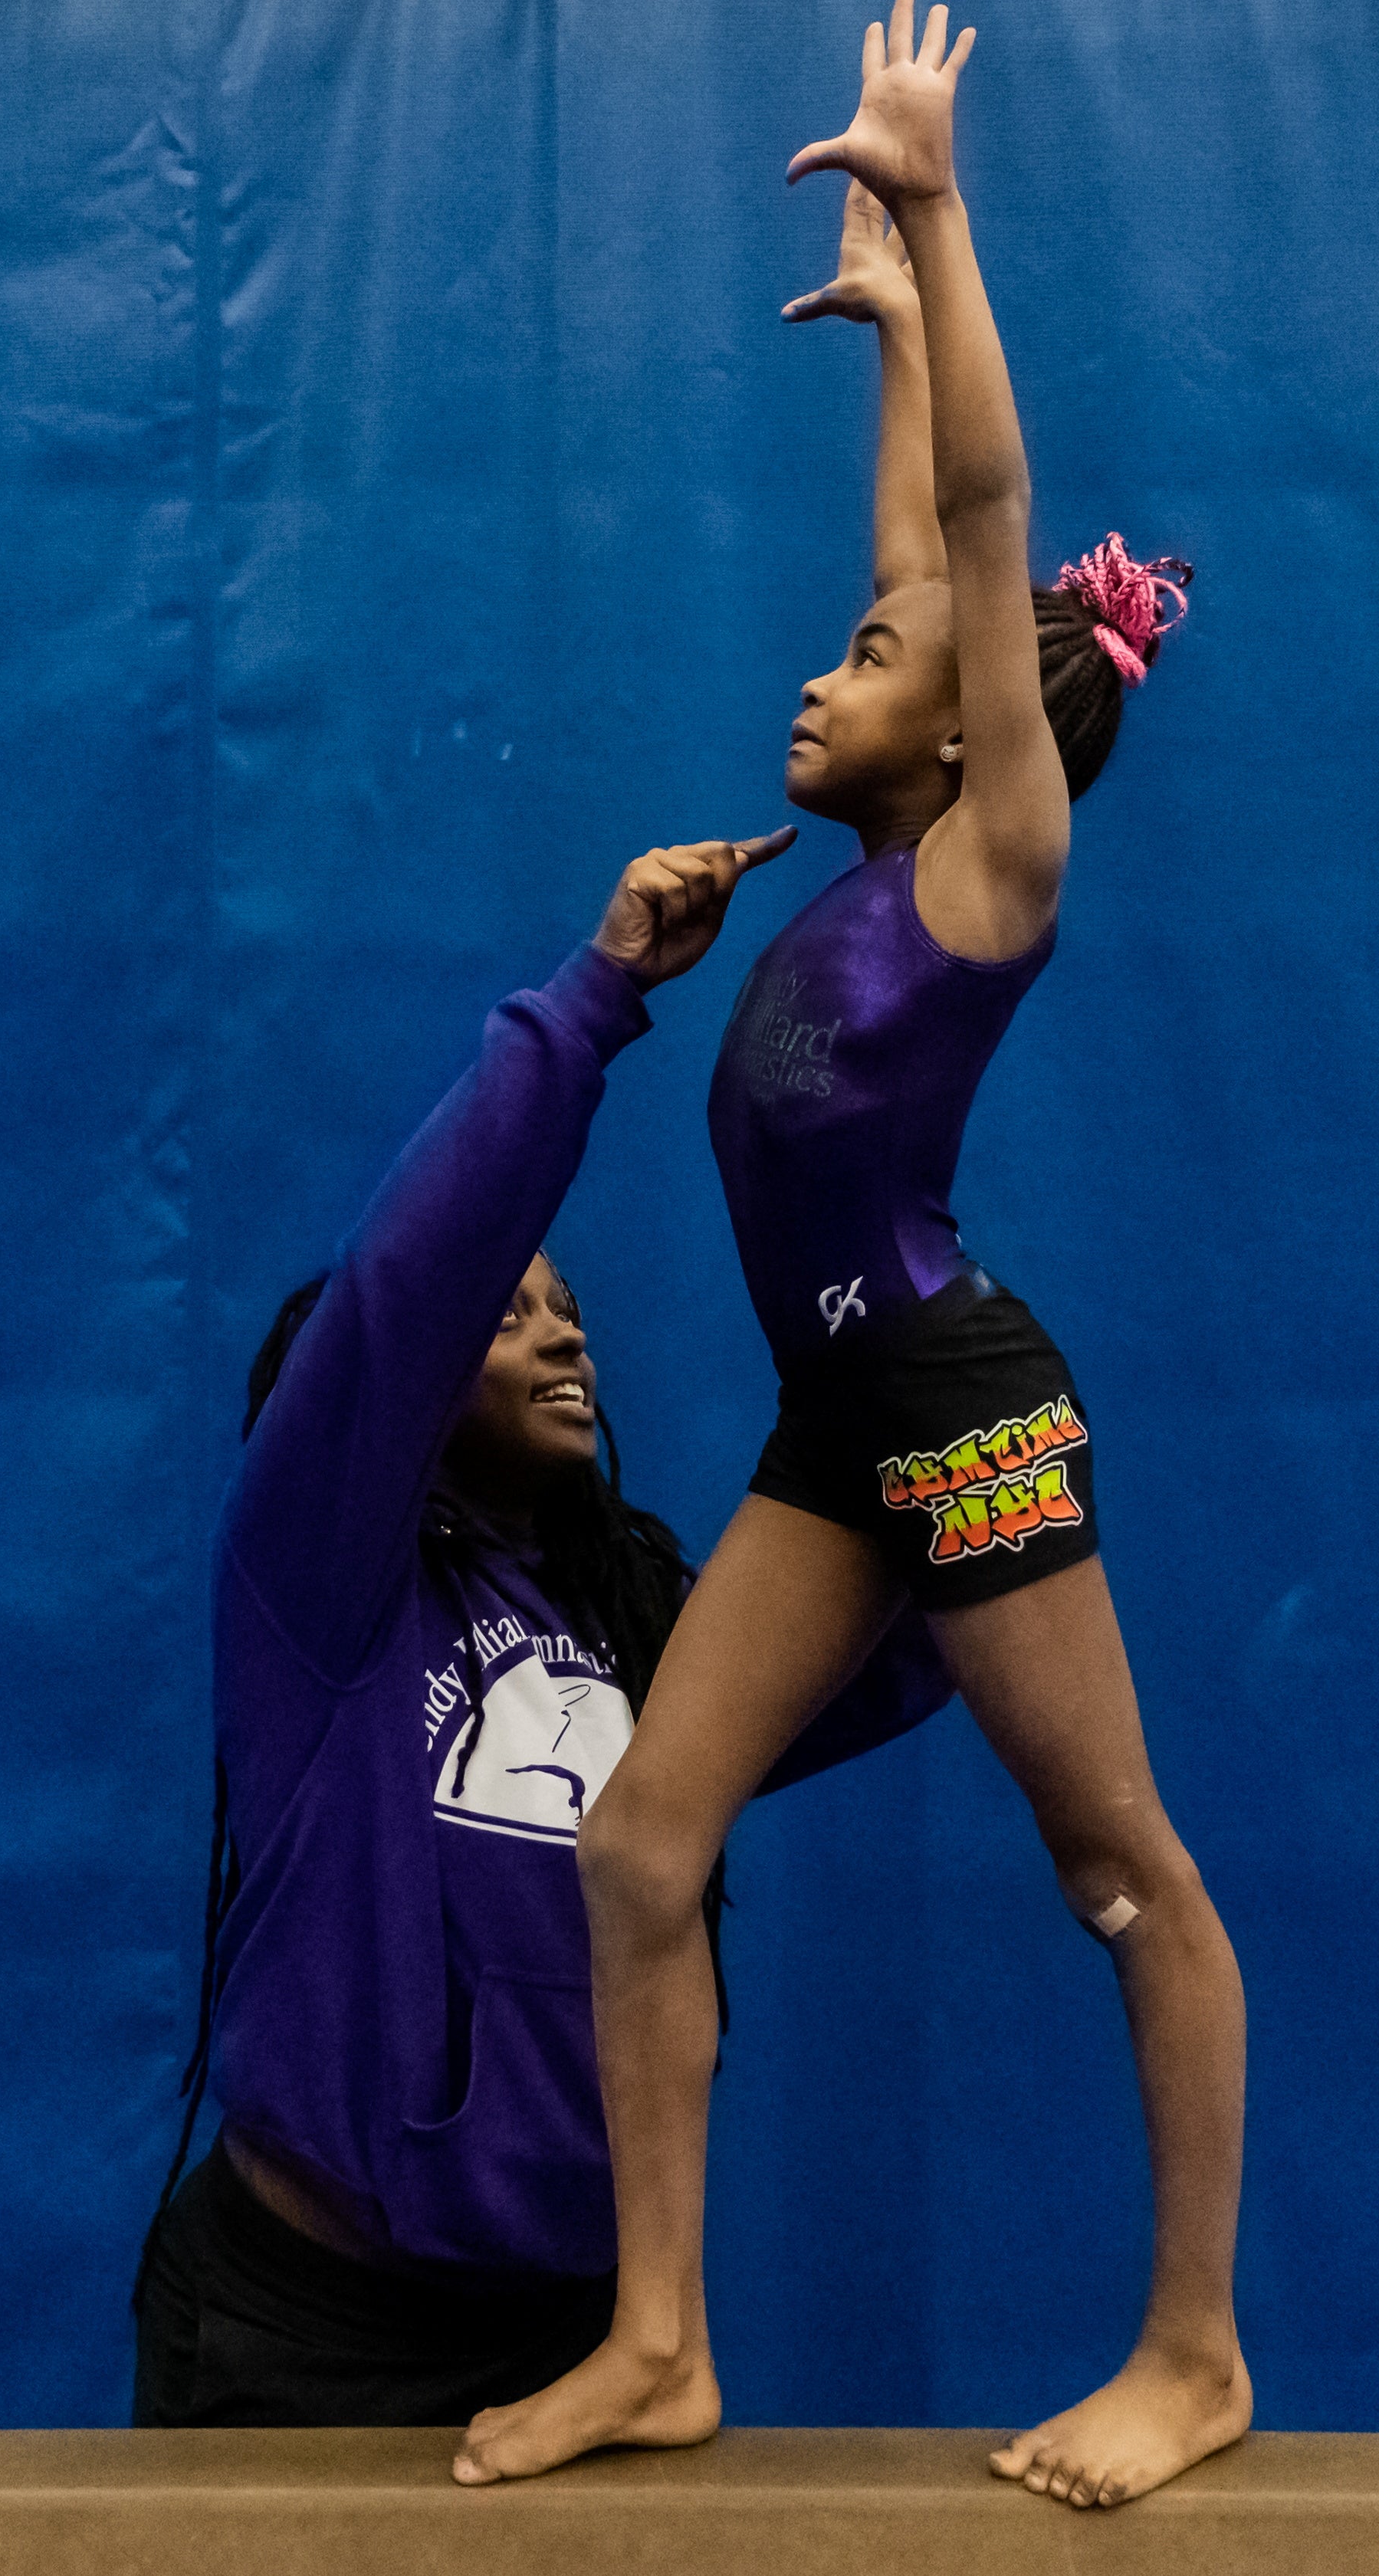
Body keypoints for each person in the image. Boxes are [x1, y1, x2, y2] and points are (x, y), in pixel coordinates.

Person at [451, 0, 1249, 2510]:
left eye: (863, 660)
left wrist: (938, 205)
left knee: (1116, 1866)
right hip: (837, 1414)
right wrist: (890, 330)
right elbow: (931, 550)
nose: (825, 656)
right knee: (640, 1838)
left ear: (968, 730)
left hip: (952, 1403)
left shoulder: (991, 862)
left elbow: (986, 549)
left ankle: (1196, 2348)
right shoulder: (896, 805)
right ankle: (660, 2335)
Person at [134, 829, 954, 2427]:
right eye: (506, 1312)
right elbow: (407, 1278)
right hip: (308, 2331)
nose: (556, 1322)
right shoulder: (317, 1588)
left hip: (580, 2335)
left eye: (565, 1306)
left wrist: (948, 1372)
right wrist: (594, 1001)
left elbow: (913, 1644)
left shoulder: (633, 1630)